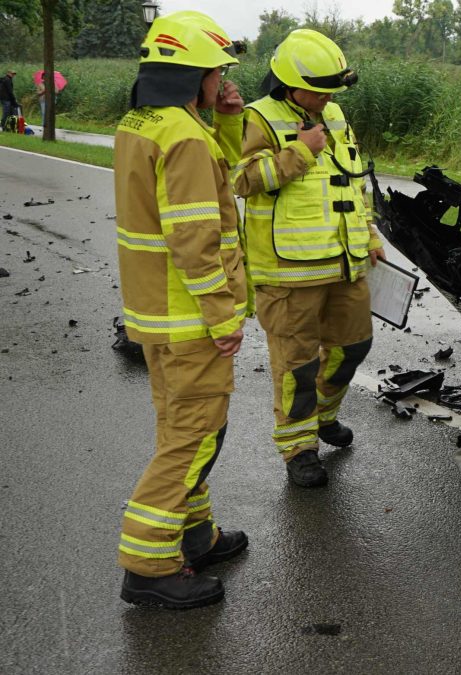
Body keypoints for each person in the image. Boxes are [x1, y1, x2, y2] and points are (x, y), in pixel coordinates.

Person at [114, 10, 249, 609]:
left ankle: (195, 535)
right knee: (195, 437)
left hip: (153, 313)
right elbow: (197, 236)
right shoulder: (185, 137)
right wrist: (224, 316)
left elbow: (213, 178)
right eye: (217, 72)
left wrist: (224, 119)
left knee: (180, 427)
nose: (223, 80)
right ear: (194, 73)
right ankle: (147, 564)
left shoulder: (143, 121)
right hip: (191, 316)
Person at [231, 29, 384, 488]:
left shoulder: (334, 113)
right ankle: (298, 447)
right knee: (297, 364)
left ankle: (321, 415)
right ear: (286, 81)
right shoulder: (258, 117)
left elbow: (353, 179)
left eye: (329, 90)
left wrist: (370, 230)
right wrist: (300, 151)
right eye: (316, 89)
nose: (324, 98)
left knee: (352, 347)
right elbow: (242, 180)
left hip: (344, 260)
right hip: (288, 269)